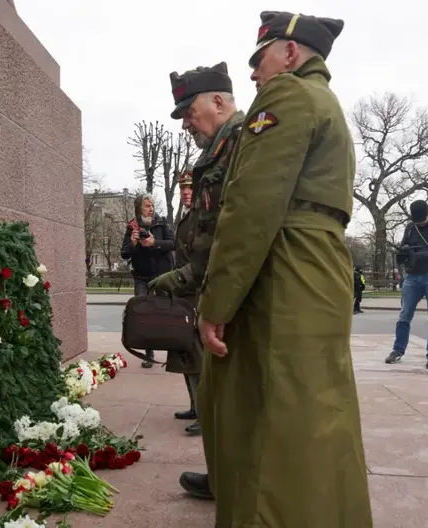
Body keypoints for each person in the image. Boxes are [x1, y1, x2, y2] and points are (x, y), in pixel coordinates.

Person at [194, 11, 373, 526]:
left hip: (285, 265)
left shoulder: (287, 96)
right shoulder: (327, 102)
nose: (253, 73)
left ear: (290, 53)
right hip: (320, 263)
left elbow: (251, 206)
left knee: (268, 424)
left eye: (260, 58)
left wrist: (216, 305)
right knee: (318, 412)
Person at [148, 61, 244, 461]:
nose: (185, 124)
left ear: (218, 102)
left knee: (236, 394)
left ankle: (233, 482)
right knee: (223, 390)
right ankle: (225, 476)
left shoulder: (243, 141)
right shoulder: (224, 147)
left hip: (236, 290)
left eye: (189, 113)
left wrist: (188, 275)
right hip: (217, 286)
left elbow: (238, 228)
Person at [149, 171, 202, 436]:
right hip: (185, 293)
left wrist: (174, 278)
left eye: (190, 189)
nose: (186, 193)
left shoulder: (203, 217)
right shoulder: (187, 217)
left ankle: (205, 413)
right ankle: (195, 406)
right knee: (186, 353)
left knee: (198, 358)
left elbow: (203, 261)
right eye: (183, 190)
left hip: (199, 294)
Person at [386, 199, 428, 369]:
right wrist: (404, 252)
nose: (420, 224)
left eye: (422, 221)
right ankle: (398, 350)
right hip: (412, 276)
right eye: (417, 222)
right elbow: (404, 246)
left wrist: (421, 256)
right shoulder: (410, 227)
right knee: (403, 316)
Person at [120, 194, 175, 367]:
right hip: (141, 277)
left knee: (164, 312)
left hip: (162, 276)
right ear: (139, 208)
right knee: (143, 312)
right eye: (146, 206)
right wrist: (133, 243)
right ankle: (148, 352)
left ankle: (172, 349)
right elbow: (124, 253)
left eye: (152, 206)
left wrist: (154, 243)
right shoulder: (132, 227)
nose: (151, 209)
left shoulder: (162, 222)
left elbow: (172, 244)